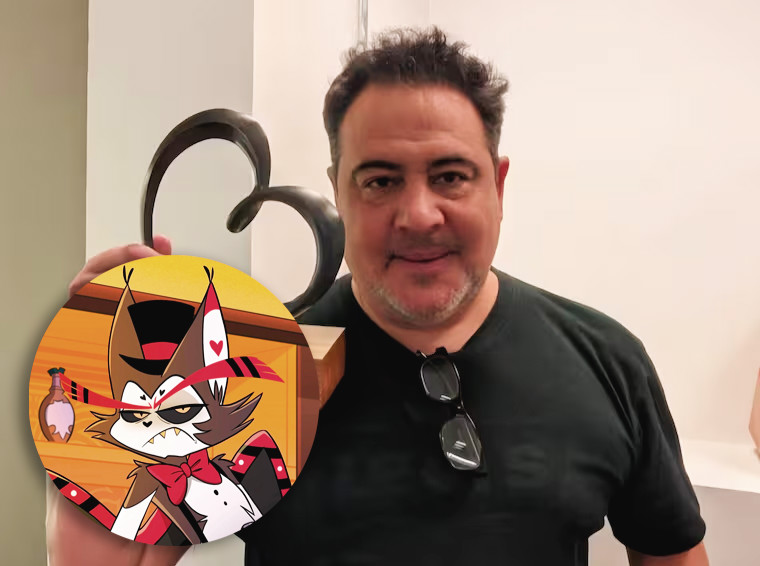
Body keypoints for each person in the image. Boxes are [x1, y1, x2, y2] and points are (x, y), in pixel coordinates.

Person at [57, 27, 708, 566]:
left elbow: (673, 555)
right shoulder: (248, 375)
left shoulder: (606, 361)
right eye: (380, 181)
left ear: (498, 186)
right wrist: (97, 388)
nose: (419, 215)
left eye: (450, 176)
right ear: (338, 191)